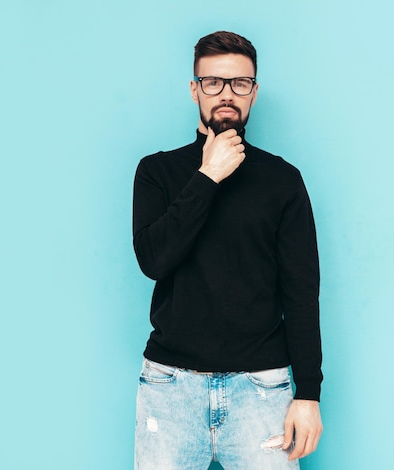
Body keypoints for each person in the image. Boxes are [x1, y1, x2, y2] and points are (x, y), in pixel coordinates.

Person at [132, 31, 323, 469]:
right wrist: (208, 176)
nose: (226, 95)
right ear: (194, 88)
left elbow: (301, 292)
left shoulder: (282, 180)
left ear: (254, 92)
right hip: (170, 388)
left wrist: (308, 392)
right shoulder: (157, 171)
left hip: (262, 391)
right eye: (213, 82)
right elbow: (153, 259)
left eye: (239, 83)